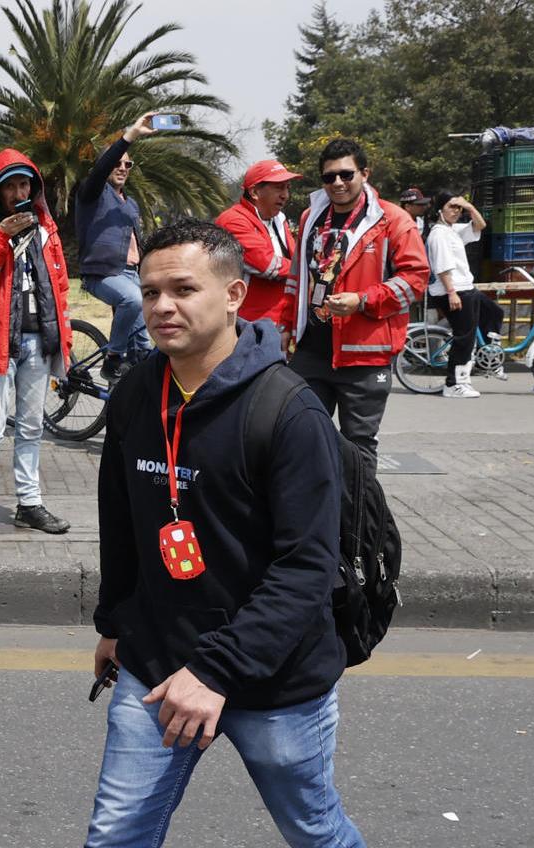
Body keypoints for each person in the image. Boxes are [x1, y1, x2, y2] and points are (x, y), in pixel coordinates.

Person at [89, 219, 362, 848]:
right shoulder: (135, 393)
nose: (161, 306)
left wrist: (215, 672)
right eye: (150, 290)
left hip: (272, 677)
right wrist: (113, 621)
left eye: (183, 289)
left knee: (316, 831)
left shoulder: (288, 410)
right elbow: (121, 522)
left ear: (235, 295)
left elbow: (306, 569)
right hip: (156, 662)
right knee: (115, 835)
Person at [0, 149, 73, 547]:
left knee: (31, 426)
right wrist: (1, 236)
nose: (18, 192)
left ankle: (29, 503)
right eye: (10, 186)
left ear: (34, 188)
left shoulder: (47, 229)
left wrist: (65, 339)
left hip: (38, 339)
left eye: (25, 184)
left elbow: (59, 288)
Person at [288, 138, 429, 459]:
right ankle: (317, 510)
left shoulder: (392, 220)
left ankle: (358, 511)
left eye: (346, 174)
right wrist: (286, 328)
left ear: (364, 173)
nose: (337, 183)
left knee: (357, 447)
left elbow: (416, 280)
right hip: (311, 351)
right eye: (329, 177)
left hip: (364, 355)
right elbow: (296, 280)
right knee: (303, 441)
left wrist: (362, 300)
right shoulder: (311, 217)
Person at [76, 113, 160, 378]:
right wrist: (130, 136)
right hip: (102, 274)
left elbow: (138, 245)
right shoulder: (93, 194)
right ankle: (113, 358)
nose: (123, 168)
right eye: (117, 164)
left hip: (132, 274)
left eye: (128, 165)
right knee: (132, 300)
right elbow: (102, 168)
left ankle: (129, 391)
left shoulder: (131, 204)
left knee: (145, 343)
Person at [215, 160, 305, 333]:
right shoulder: (233, 220)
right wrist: (307, 268)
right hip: (247, 323)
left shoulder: (278, 219)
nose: (285, 195)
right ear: (255, 192)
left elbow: (293, 260)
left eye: (287, 188)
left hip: (279, 320)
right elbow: (269, 266)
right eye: (279, 188)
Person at [424, 191, 491, 397]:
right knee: (464, 337)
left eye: (458, 208)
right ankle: (453, 384)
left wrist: (469, 207)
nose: (456, 211)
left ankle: (480, 367)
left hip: (466, 288)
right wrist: (451, 292)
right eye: (451, 207)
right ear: (440, 209)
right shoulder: (439, 234)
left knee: (491, 313)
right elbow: (442, 267)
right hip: (452, 290)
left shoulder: (452, 230)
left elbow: (480, 225)